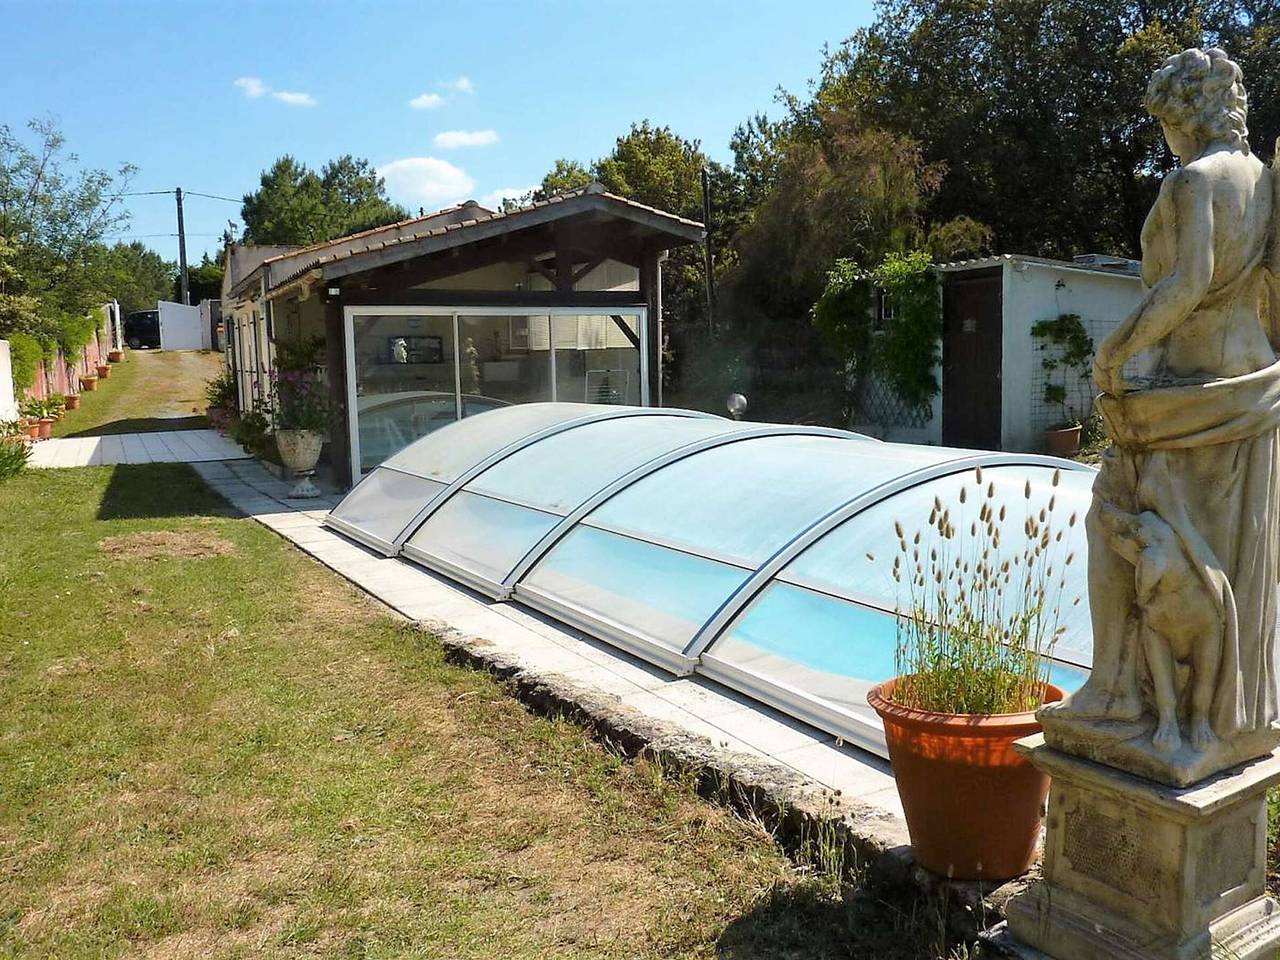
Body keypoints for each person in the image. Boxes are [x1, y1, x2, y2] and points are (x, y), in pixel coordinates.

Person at [1046, 48, 1280, 762]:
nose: (1164, 138)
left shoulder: (1194, 180)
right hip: (1256, 387)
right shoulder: (1267, 182)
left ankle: (1120, 693)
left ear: (1184, 115)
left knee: (1113, 523)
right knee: (1226, 556)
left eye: (1165, 122)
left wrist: (1112, 352)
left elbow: (1186, 284)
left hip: (1190, 395)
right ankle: (1219, 717)